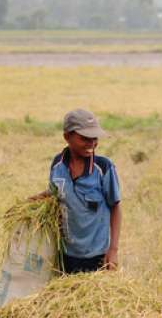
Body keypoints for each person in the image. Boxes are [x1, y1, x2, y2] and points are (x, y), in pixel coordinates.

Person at [30, 109, 122, 274]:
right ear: (67, 137)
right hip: (65, 253)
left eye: (94, 138)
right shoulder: (58, 164)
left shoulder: (103, 168)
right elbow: (55, 193)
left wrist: (113, 250)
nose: (91, 144)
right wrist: (30, 203)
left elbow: (115, 206)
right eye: (85, 138)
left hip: (97, 255)